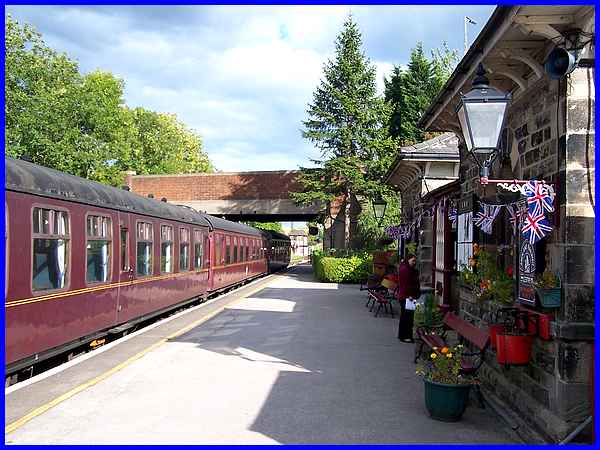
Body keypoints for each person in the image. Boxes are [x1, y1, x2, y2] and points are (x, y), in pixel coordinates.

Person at [396, 254, 421, 342]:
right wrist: (409, 295)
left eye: (415, 261)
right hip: (407, 297)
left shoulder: (407, 269)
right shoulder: (405, 270)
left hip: (408, 296)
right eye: (413, 261)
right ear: (408, 260)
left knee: (407, 317)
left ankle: (404, 335)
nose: (414, 262)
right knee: (407, 317)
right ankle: (405, 336)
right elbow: (406, 284)